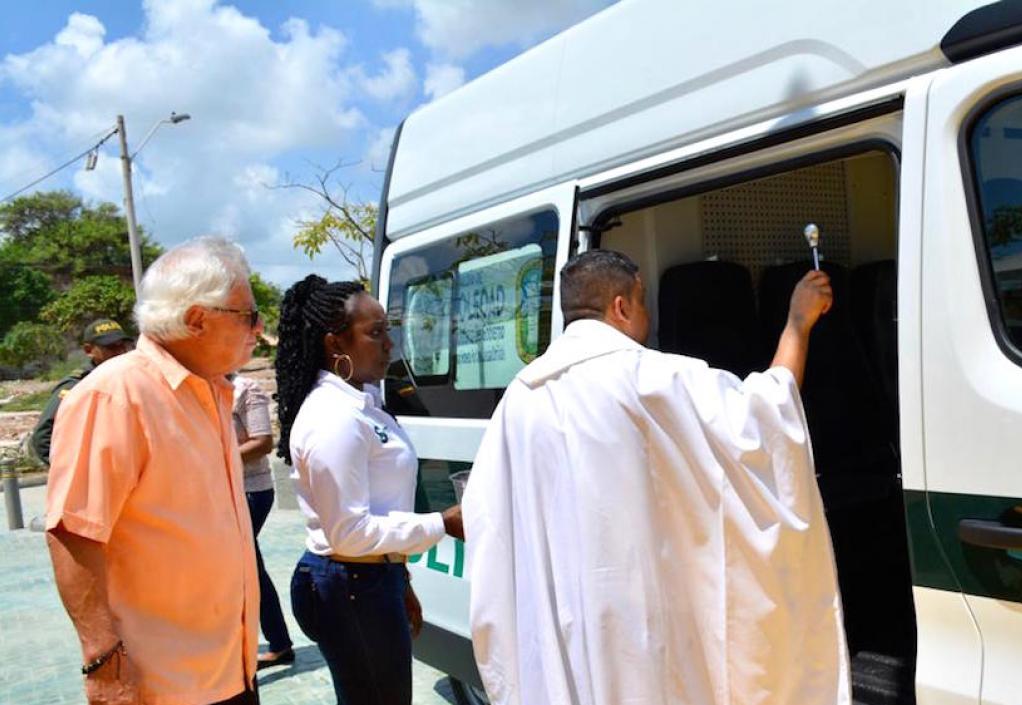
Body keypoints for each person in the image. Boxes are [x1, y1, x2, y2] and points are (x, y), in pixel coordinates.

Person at [464, 249, 847, 705]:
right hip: (646, 635)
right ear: (622, 307)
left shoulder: (517, 402)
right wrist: (797, 324)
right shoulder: (655, 378)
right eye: (643, 302)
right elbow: (765, 416)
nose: (647, 315)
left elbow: (487, 521)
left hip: (566, 636)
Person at [44, 236, 264, 705]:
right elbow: (74, 533)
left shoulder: (212, 391)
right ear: (196, 320)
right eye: (247, 314)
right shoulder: (115, 395)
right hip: (164, 684)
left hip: (230, 669)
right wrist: (103, 665)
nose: (259, 328)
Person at [274, 274, 464, 705]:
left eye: (388, 331)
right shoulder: (334, 418)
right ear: (335, 343)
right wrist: (442, 524)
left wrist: (400, 579)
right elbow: (349, 533)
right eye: (375, 333)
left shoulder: (362, 403)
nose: (389, 345)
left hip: (369, 577)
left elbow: (379, 505)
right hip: (350, 584)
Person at [230, 372, 295, 668]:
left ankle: (248, 648)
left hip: (250, 492)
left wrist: (214, 458)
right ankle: (279, 643)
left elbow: (263, 442)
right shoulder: (199, 385)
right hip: (220, 493)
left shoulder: (245, 389)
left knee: (241, 571)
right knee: (249, 569)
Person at [27, 319, 134, 466]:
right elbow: (43, 435)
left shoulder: (127, 377)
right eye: (110, 347)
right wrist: (67, 469)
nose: (119, 352)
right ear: (89, 350)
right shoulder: (77, 385)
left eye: (122, 346)